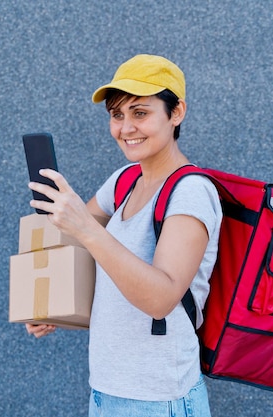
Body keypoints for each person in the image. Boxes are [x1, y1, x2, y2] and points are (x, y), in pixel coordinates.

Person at [26, 54, 222, 417]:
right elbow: (75, 248)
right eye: (117, 115)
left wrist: (85, 226)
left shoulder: (191, 192)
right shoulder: (124, 181)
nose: (126, 127)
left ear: (176, 112)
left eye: (140, 113)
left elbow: (161, 298)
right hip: (106, 392)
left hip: (160, 399)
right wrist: (50, 306)